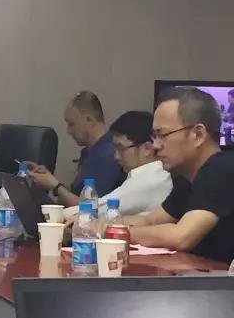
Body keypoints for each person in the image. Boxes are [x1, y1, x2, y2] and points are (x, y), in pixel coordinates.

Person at [128, 87, 234, 263]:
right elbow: (151, 221)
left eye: (163, 135)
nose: (155, 146)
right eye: (154, 136)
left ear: (198, 135)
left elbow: (181, 236)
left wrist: (116, 233)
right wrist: (96, 225)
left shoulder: (221, 169)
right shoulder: (189, 177)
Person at [60, 111, 172, 217]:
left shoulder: (149, 180)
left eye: (121, 149)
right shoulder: (151, 175)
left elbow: (96, 209)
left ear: (147, 149)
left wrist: (57, 213)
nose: (116, 156)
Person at [27, 91, 126, 200]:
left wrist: (55, 186)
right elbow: (78, 193)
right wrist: (49, 180)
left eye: (71, 124)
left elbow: (90, 206)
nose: (68, 131)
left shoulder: (108, 156)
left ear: (89, 120)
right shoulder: (90, 152)